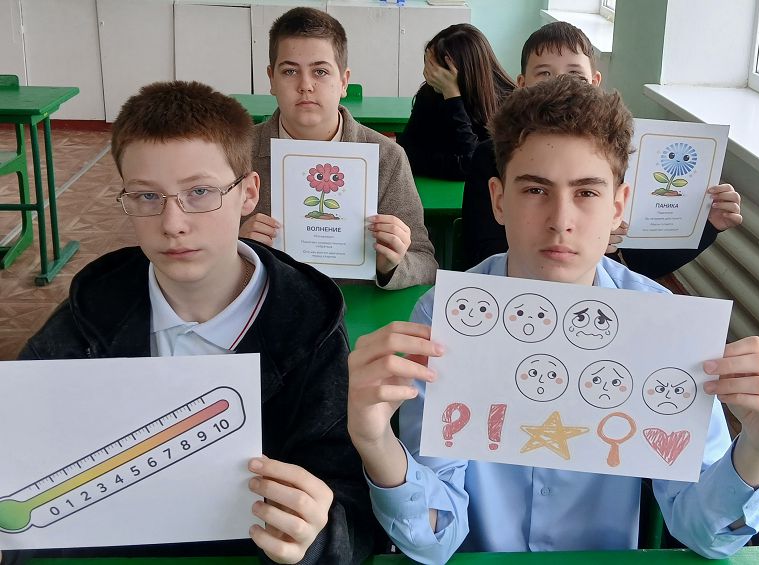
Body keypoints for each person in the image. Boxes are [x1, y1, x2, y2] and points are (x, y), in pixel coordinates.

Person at [347, 77, 759, 564]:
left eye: (586, 192)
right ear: (498, 200)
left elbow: (704, 533)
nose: (560, 220)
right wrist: (376, 441)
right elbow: (435, 539)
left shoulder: (661, 323)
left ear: (618, 206)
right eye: (535, 189)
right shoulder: (447, 315)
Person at [7, 81, 376, 565]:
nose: (172, 223)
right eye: (146, 196)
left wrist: (318, 536)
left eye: (200, 192)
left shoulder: (310, 325)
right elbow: (21, 463)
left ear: (249, 194)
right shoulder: (93, 310)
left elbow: (354, 514)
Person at [461, 21, 743, 277]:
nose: (561, 83)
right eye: (545, 73)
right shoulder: (493, 154)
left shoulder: (619, 155)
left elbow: (642, 266)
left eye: (575, 74)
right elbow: (479, 252)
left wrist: (705, 225)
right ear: (522, 84)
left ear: (595, 83)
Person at [239, 7, 437, 289]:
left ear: (343, 81)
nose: (305, 85)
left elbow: (426, 263)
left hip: (354, 307)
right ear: (272, 79)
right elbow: (200, 253)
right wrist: (236, 249)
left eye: (320, 71)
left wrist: (391, 265)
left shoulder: (386, 157)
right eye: (290, 71)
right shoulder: (237, 152)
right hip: (266, 303)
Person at [397, 23, 516, 180]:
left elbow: (477, 166)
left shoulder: (508, 103)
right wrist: (453, 164)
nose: (427, 75)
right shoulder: (430, 93)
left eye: (435, 69)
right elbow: (405, 153)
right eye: (427, 65)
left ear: (464, 70)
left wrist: (453, 97)